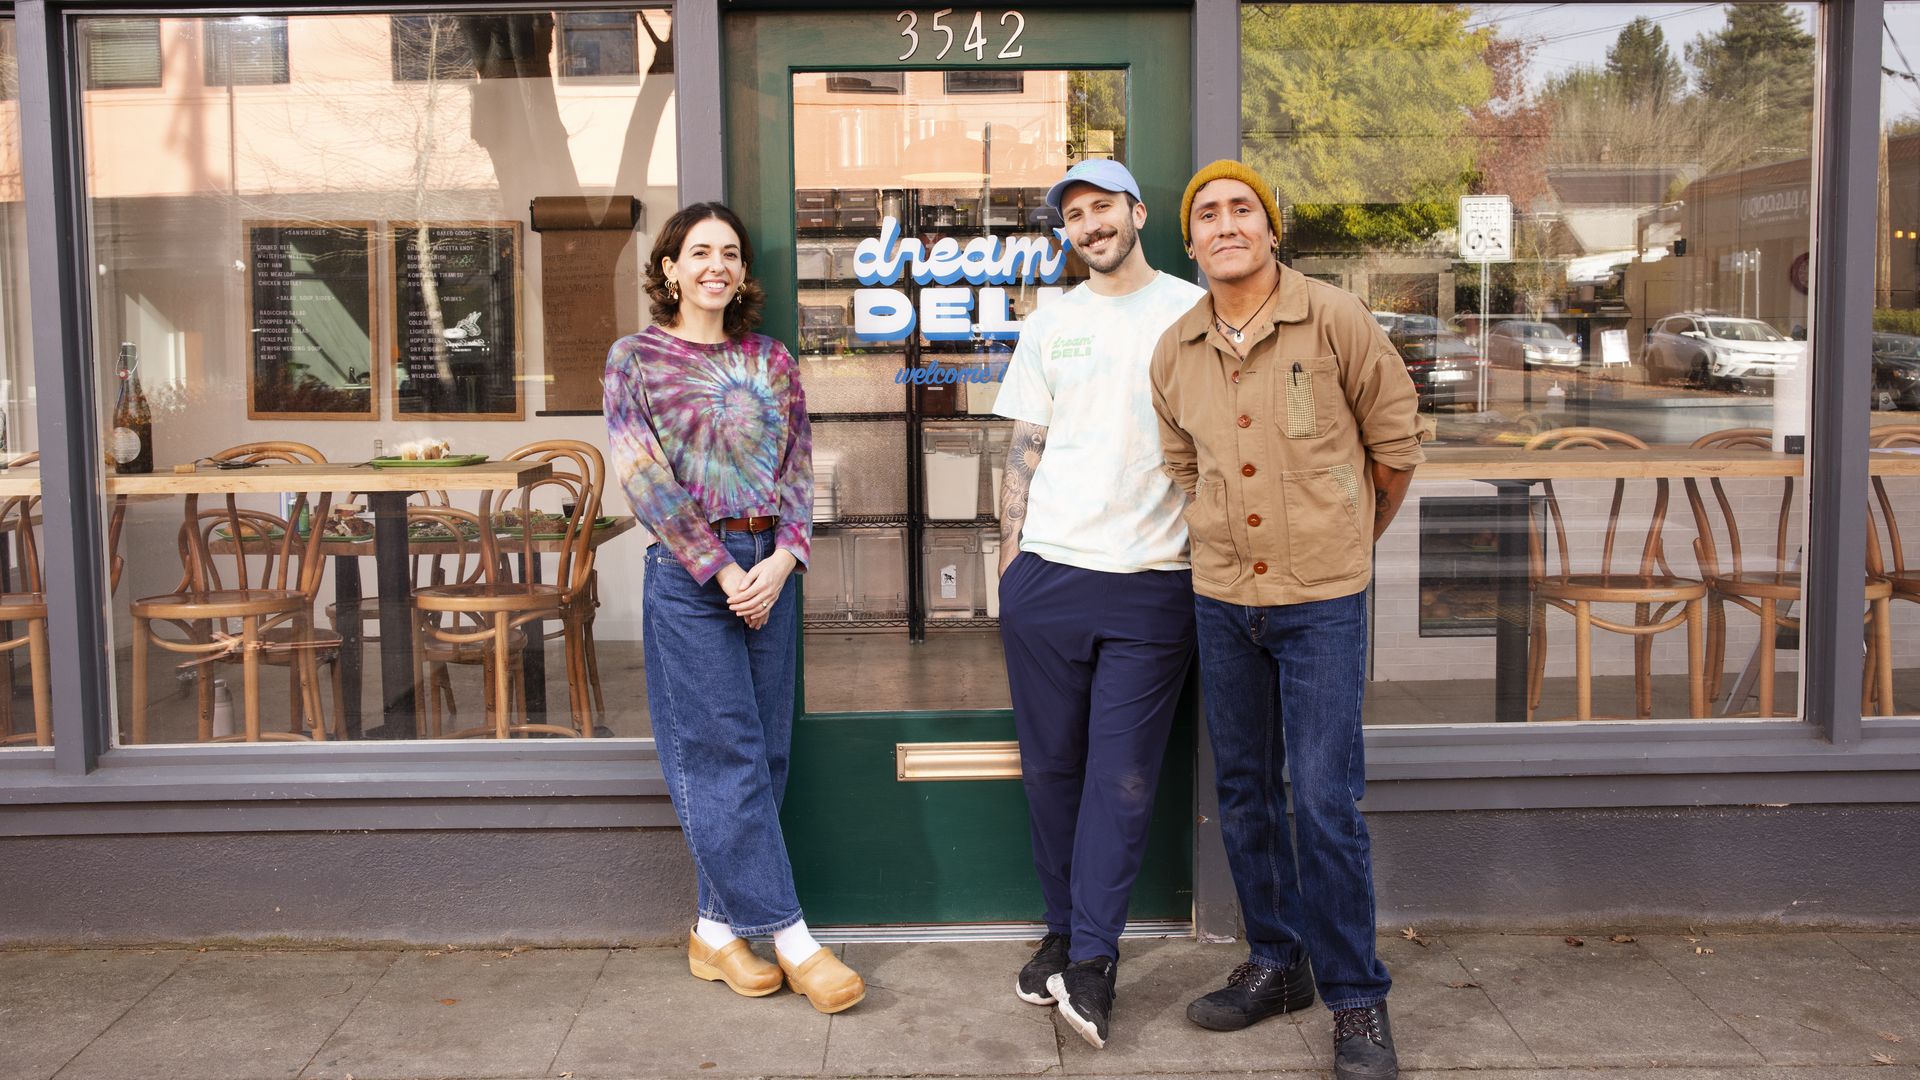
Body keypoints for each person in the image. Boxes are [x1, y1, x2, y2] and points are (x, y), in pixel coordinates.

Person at [1149, 161, 1423, 1080]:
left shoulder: (1334, 318)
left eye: (1243, 210)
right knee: (1243, 791)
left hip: (1322, 604)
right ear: (1190, 242)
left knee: (1325, 802)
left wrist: (1347, 537)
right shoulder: (1176, 348)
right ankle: (1277, 961)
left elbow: (1394, 447)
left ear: (1271, 230)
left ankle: (1357, 999)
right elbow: (1183, 463)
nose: (1226, 225)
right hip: (1223, 598)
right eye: (1208, 215)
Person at [604, 202, 863, 1015]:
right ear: (671, 268)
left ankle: (714, 931)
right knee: (723, 754)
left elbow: (798, 465)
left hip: (771, 566)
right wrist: (721, 573)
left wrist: (783, 560)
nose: (715, 265)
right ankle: (793, 937)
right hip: (691, 576)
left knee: (766, 754)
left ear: (743, 272)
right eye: (698, 252)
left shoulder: (771, 359)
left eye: (729, 253)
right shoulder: (634, 359)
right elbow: (643, 476)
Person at [994, 160, 1207, 1049]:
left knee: (1122, 780)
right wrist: (1008, 563)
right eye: (1074, 214)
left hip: (1154, 579)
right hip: (1048, 575)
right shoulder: (1054, 319)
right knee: (1051, 771)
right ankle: (1060, 930)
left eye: (1102, 207)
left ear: (1137, 212)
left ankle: (1093, 957)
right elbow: (1025, 443)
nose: (1090, 224)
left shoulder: (1193, 311)